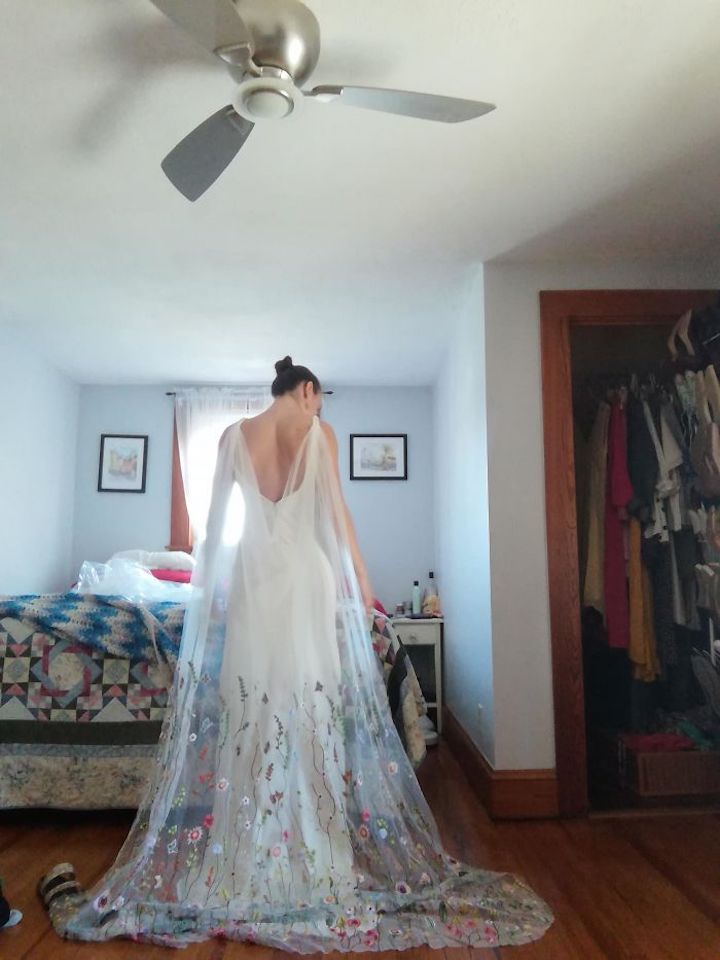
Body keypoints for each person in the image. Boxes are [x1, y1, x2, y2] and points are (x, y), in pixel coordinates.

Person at [39, 357, 553, 951]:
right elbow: (336, 517)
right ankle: (313, 843)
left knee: (250, 706)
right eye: (319, 398)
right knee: (309, 704)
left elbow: (213, 527)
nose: (318, 406)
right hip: (307, 581)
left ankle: (246, 842)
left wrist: (210, 603)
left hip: (252, 583)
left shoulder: (233, 438)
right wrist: (363, 582)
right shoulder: (319, 432)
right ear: (307, 390)